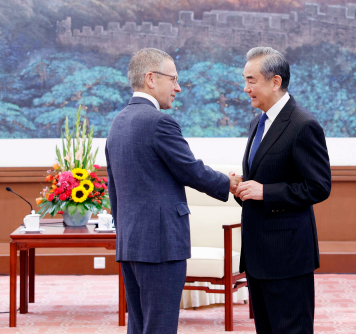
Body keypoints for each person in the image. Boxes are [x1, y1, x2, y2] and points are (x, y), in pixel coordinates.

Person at [105, 48, 242, 334]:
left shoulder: (118, 122)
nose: (178, 88)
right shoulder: (159, 122)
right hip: (161, 244)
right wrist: (226, 183)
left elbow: (114, 191)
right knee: (160, 326)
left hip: (130, 243)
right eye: (174, 79)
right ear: (151, 79)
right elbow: (190, 169)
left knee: (140, 325)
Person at [234, 47, 332, 333]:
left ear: (275, 81)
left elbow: (319, 186)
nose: (245, 88)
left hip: (287, 256)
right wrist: (244, 185)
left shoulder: (303, 125)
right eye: (245, 80)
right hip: (257, 254)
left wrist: (266, 192)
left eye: (251, 80)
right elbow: (267, 175)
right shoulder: (258, 122)